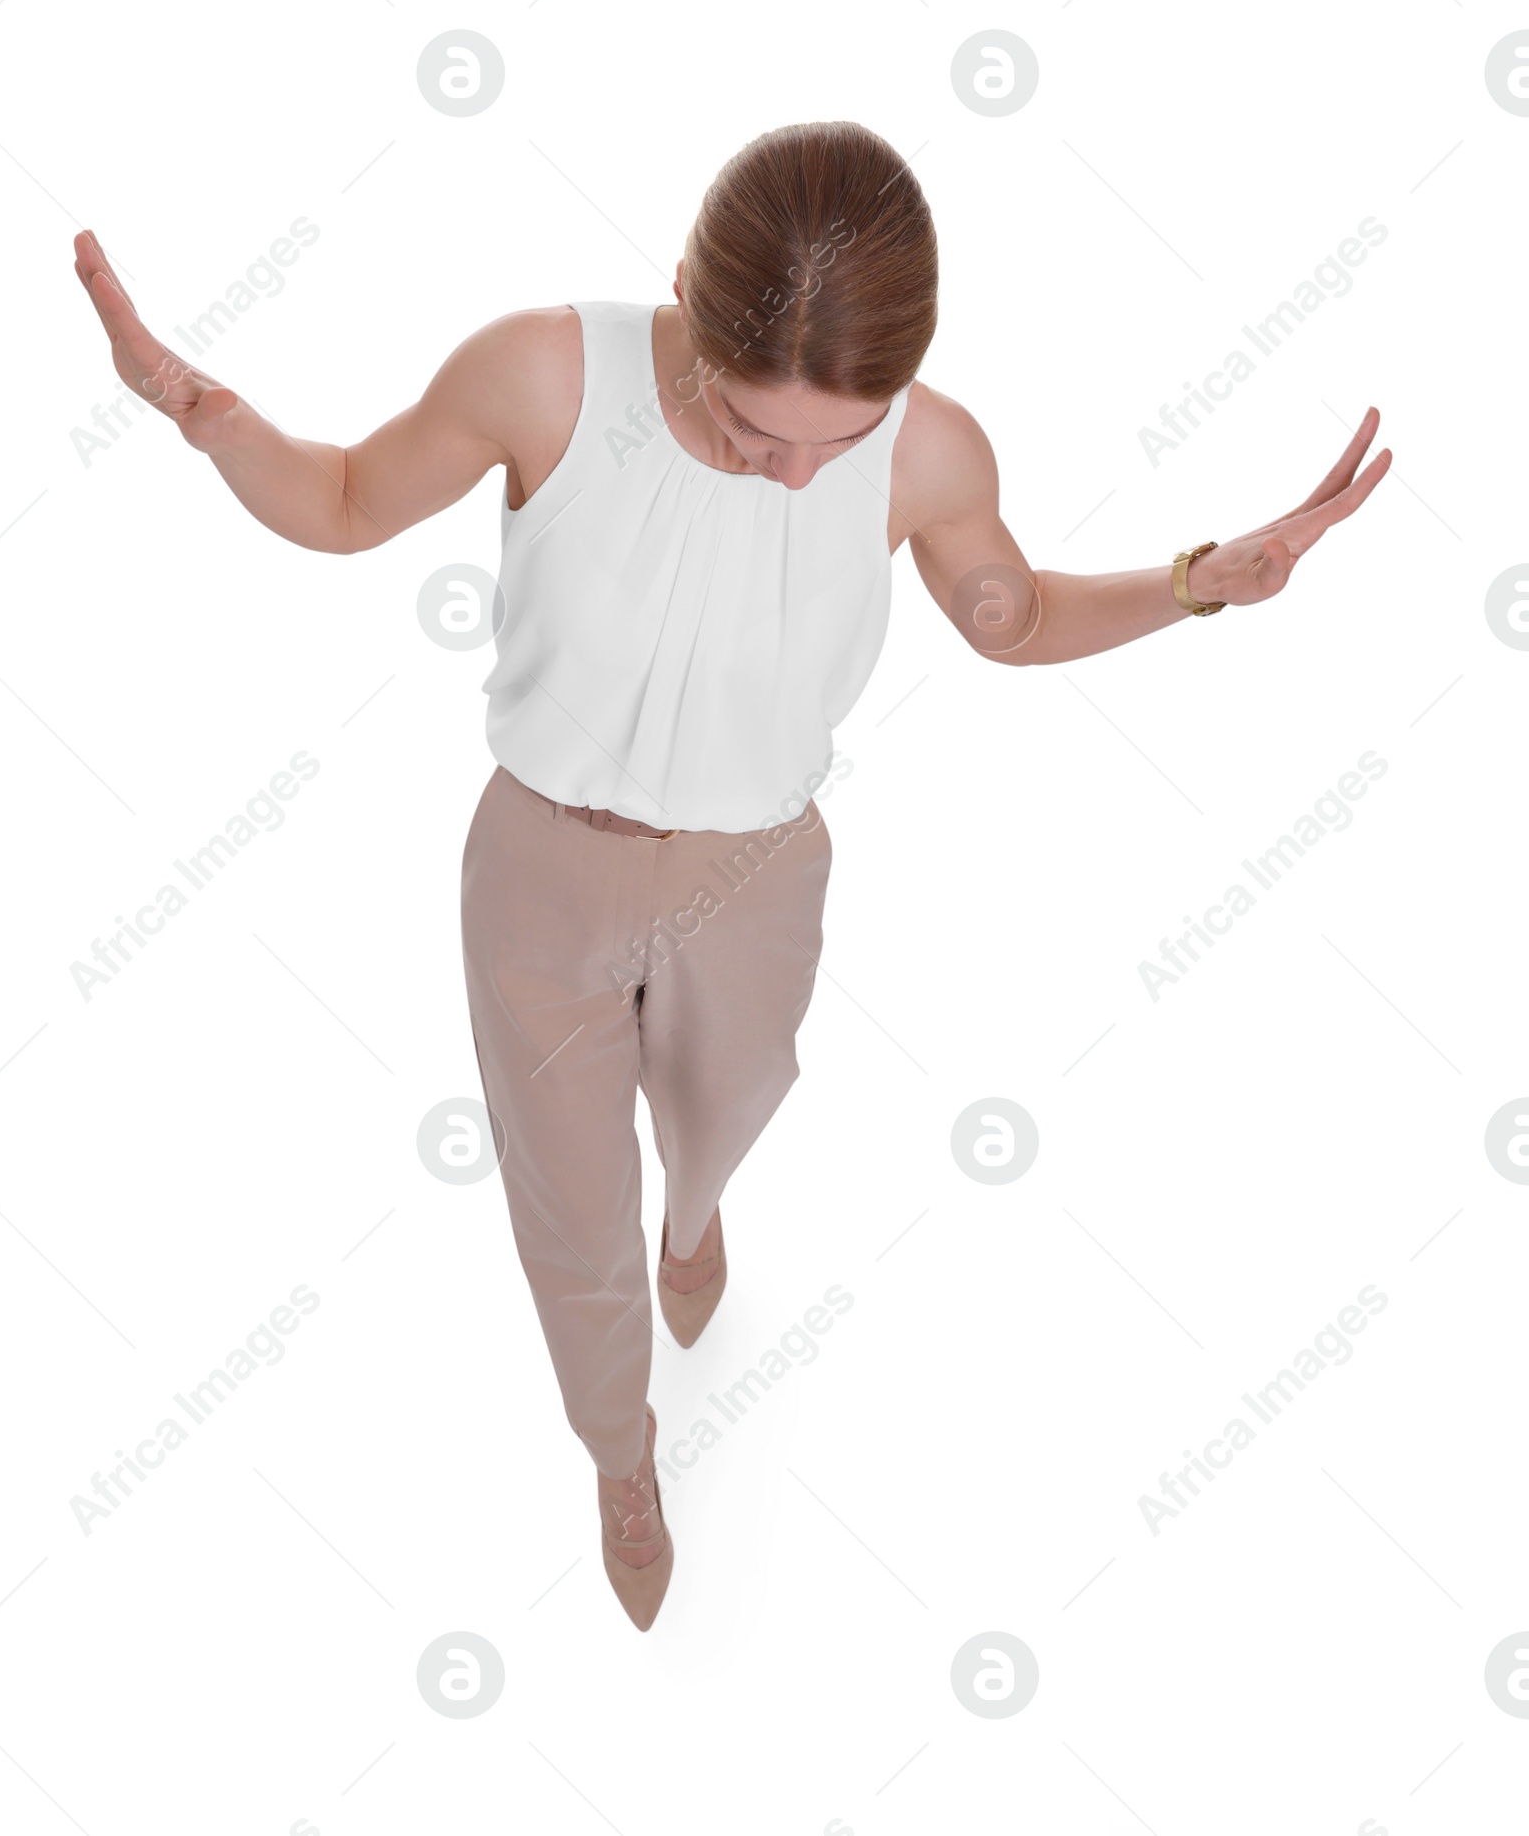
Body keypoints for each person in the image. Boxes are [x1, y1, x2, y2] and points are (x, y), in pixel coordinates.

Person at [73, 119, 1390, 1630]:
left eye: (839, 441)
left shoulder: (930, 451)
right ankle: (621, 1456)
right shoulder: (545, 374)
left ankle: (694, 1214)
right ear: (690, 295)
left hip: (758, 867)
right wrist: (210, 416)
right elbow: (351, 503)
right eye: (766, 433)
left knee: (724, 1111)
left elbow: (1008, 617)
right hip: (542, 866)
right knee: (569, 1211)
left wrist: (1189, 585)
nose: (796, 475)